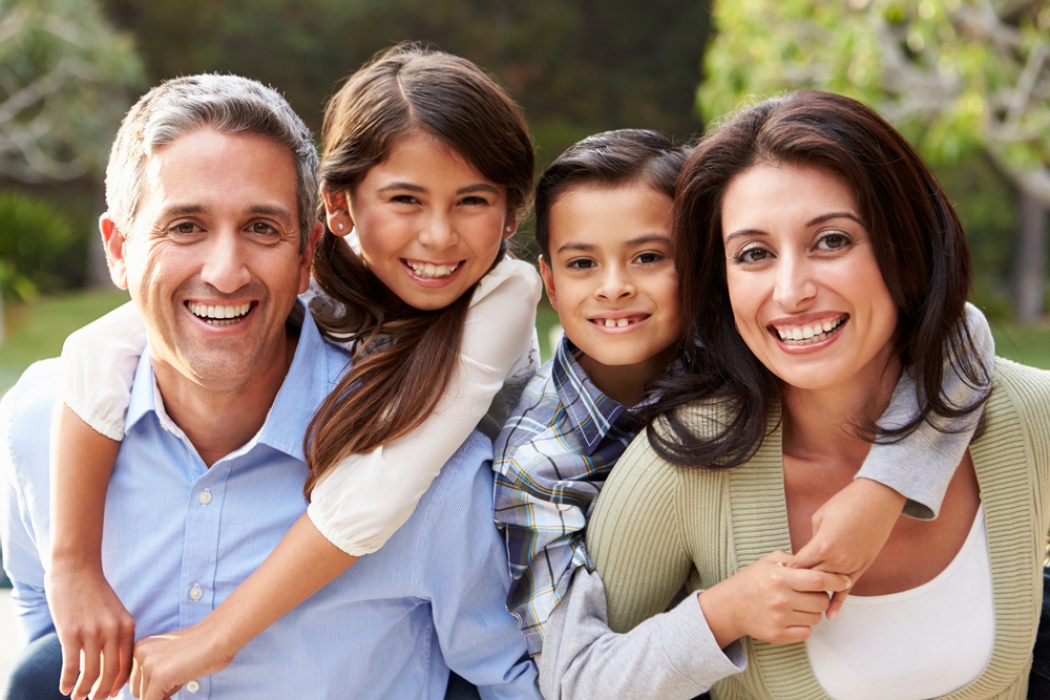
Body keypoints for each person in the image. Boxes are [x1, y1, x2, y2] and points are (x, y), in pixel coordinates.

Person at [1, 72, 540, 700]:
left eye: (261, 227)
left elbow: (373, 499)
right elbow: (47, 640)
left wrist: (216, 639)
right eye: (185, 227)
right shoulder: (37, 428)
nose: (225, 272)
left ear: (306, 250)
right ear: (118, 250)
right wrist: (72, 561)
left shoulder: (443, 462)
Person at [545, 90, 1050, 699]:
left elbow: (962, 331)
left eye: (832, 241)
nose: (790, 291)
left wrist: (886, 484)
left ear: (908, 253)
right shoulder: (683, 465)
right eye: (754, 254)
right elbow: (573, 685)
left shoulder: (1026, 419)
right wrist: (717, 616)